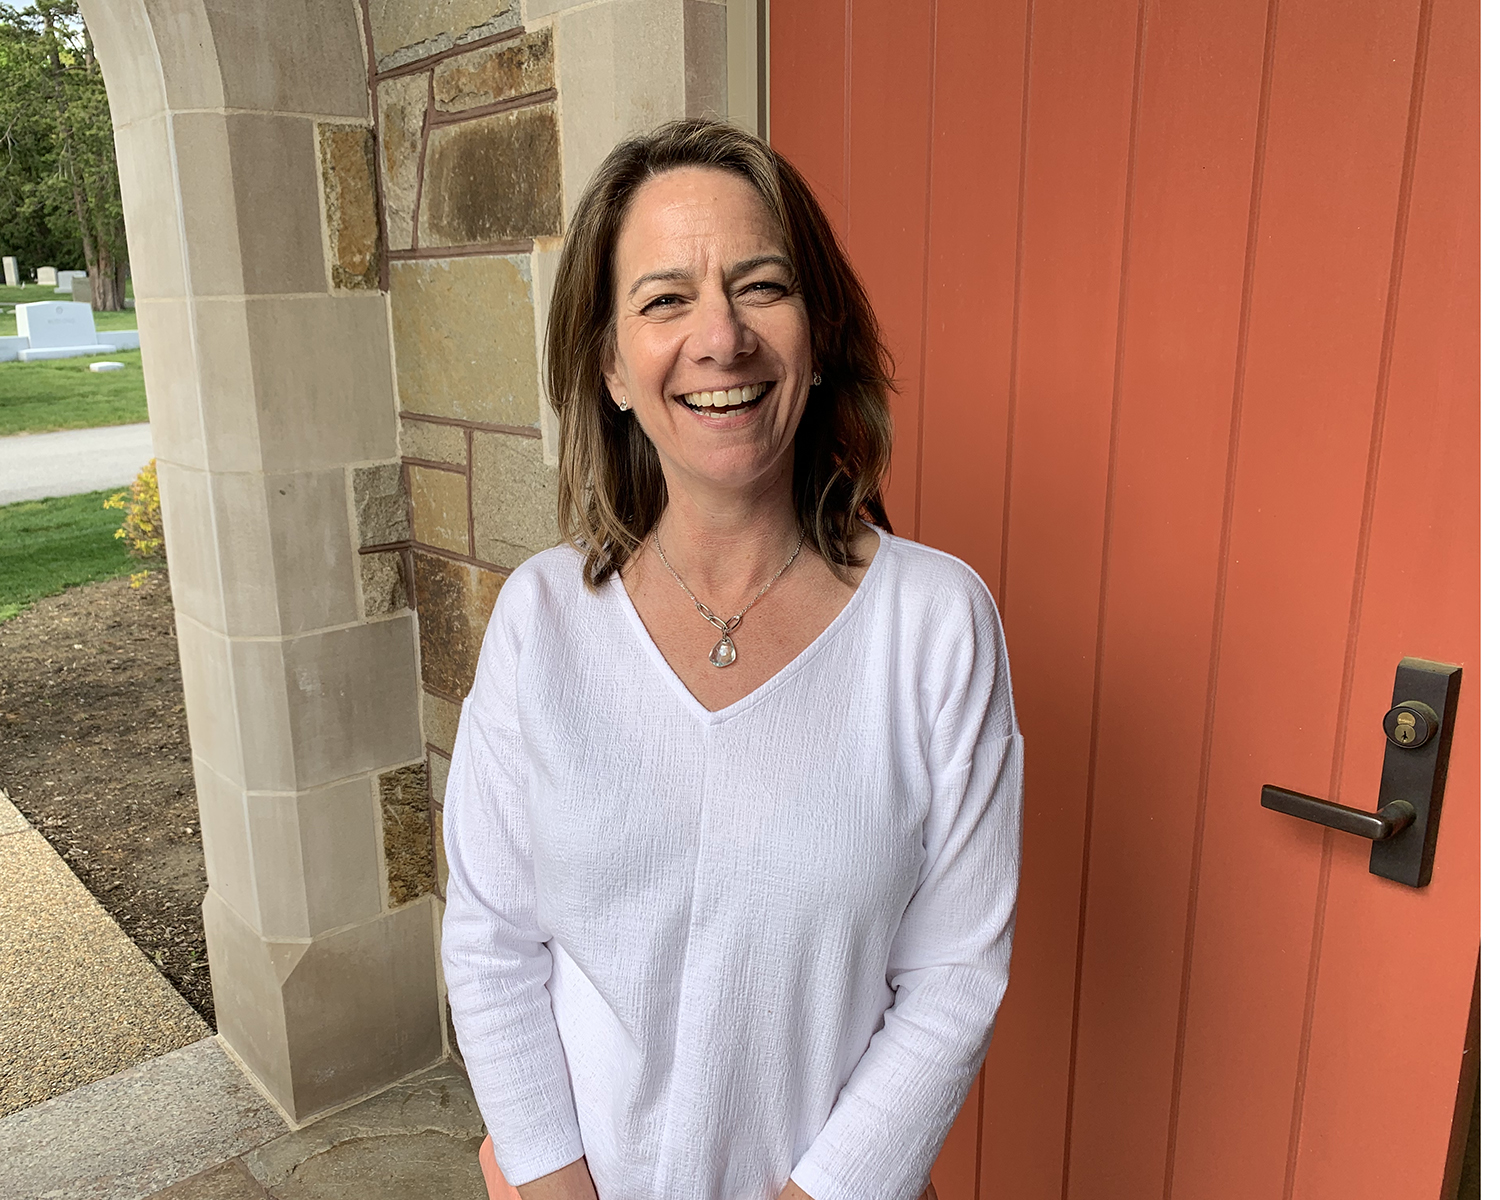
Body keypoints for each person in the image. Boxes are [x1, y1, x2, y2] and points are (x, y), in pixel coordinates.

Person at [441, 119, 1023, 1200]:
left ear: (818, 330)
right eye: (665, 299)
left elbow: (951, 978)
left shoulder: (937, 624)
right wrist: (550, 1175)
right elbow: (490, 938)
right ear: (611, 365)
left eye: (760, 286)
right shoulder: (541, 624)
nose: (722, 337)